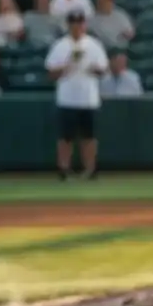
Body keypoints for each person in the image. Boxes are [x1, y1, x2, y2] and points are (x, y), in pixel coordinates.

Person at [45, 12, 107, 180]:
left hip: (88, 98)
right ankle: (63, 169)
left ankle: (91, 169)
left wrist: (92, 68)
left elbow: (103, 69)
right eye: (74, 23)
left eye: (80, 23)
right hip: (67, 98)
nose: (77, 26)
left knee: (89, 136)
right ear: (69, 25)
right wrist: (65, 67)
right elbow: (50, 72)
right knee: (66, 137)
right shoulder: (60, 45)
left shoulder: (93, 45)